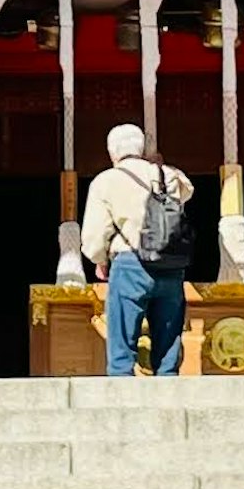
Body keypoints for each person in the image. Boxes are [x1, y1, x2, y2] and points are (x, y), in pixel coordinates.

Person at [78, 118, 194, 378]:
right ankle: (168, 394)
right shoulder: (168, 175)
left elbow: (94, 236)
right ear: (142, 149)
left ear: (112, 152)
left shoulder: (106, 181)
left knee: (122, 348)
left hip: (131, 263)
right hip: (171, 265)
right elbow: (187, 191)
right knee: (168, 347)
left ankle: (123, 401)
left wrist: (100, 259)